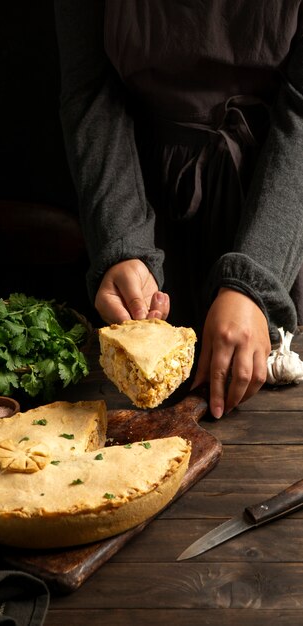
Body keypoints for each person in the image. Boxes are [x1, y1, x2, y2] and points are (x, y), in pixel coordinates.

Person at [54, 0, 303, 418]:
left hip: (275, 211)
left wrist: (256, 282)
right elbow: (90, 90)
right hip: (142, 201)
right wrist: (122, 242)